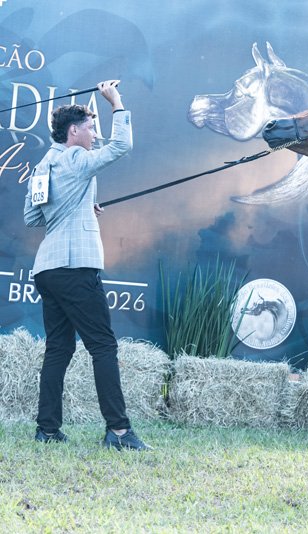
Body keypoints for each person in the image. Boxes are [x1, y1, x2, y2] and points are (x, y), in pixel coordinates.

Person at [23, 80, 151, 451]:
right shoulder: (76, 158)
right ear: (73, 132)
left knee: (58, 349)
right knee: (103, 346)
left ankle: (48, 429)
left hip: (48, 269)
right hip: (75, 267)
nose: (95, 134)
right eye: (91, 128)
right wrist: (116, 101)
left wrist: (77, 206)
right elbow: (122, 145)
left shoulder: (44, 165)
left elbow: (33, 216)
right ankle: (120, 432)